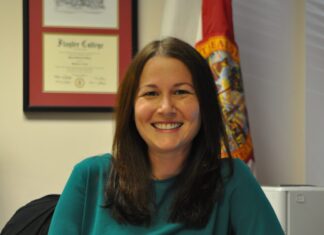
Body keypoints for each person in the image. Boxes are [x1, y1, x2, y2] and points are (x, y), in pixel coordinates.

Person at [48, 37, 284, 235]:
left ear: (204, 104)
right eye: (151, 93)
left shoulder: (232, 179)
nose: (166, 107)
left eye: (181, 92)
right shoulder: (90, 176)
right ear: (131, 107)